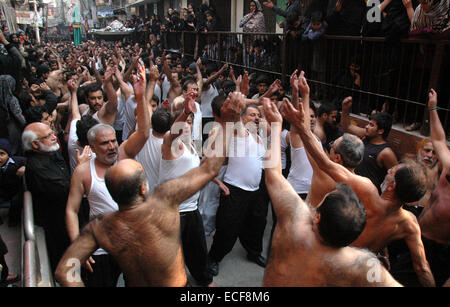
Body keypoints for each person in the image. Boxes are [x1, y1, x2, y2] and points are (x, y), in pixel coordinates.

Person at [55, 91, 245, 287]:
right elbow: (210, 168)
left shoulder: (102, 227)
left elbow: (63, 271)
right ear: (144, 189)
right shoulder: (163, 201)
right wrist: (228, 122)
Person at [281, 98, 436, 287]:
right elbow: (422, 268)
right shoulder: (410, 223)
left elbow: (325, 164)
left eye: (392, 171)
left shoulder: (368, 191)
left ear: (392, 185)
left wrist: (299, 124)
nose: (388, 170)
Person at [261, 98, 401, 287]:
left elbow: (273, 175)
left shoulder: (293, 224)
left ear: (317, 216)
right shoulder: (361, 264)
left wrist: (277, 127)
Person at [64, 64, 150, 287]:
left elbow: (143, 132)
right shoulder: (84, 172)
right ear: (92, 146)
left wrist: (140, 97)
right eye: (105, 143)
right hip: (101, 248)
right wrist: (77, 246)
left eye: (113, 140)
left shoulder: (123, 155)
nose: (112, 146)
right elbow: (72, 210)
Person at [208, 103, 268, 276]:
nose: (256, 118)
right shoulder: (241, 133)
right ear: (243, 119)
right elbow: (234, 120)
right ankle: (214, 258)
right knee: (227, 228)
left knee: (257, 225)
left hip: (255, 191)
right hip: (234, 189)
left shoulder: (260, 138)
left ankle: (254, 253)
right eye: (252, 115)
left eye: (258, 115)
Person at [22, 122, 71, 273]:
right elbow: (64, 189)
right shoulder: (37, 167)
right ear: (35, 145)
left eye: (52, 133)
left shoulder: (51, 153)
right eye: (48, 136)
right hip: (57, 227)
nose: (54, 137)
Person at [340, 99, 398, 193]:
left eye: (371, 125)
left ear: (381, 131)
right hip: (352, 189)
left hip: (368, 196)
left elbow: (397, 178)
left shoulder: (386, 153)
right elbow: (347, 126)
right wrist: (345, 109)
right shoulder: (365, 136)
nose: (366, 127)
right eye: (368, 123)